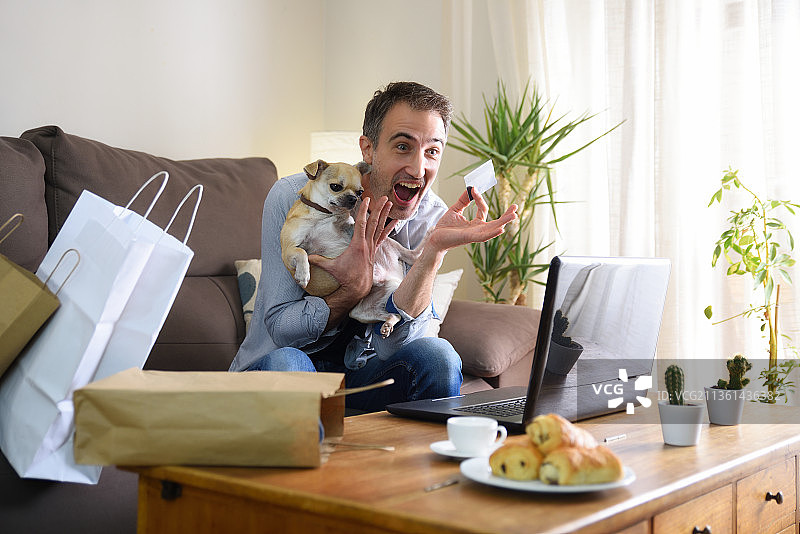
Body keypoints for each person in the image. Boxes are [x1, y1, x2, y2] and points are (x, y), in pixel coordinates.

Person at [230, 81, 518, 411]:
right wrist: (352, 288)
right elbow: (282, 331)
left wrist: (433, 251)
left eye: (432, 151)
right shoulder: (296, 197)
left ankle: (414, 461)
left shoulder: (434, 218)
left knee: (438, 357)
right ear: (368, 149)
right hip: (286, 363)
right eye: (402, 147)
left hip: (363, 375)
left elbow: (396, 346)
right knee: (288, 365)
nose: (417, 168)